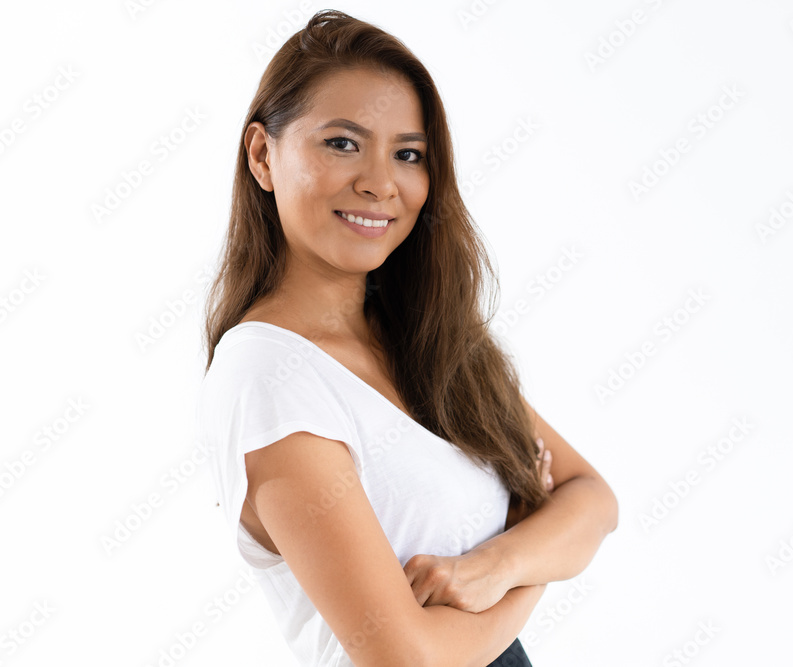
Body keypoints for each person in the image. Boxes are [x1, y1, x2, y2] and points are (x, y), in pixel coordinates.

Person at [195, 9, 619, 666]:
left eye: (409, 154)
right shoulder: (269, 377)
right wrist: (535, 559)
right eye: (342, 143)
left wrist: (497, 564)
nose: (380, 183)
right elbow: (406, 660)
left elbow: (593, 498)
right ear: (262, 155)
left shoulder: (424, 337)